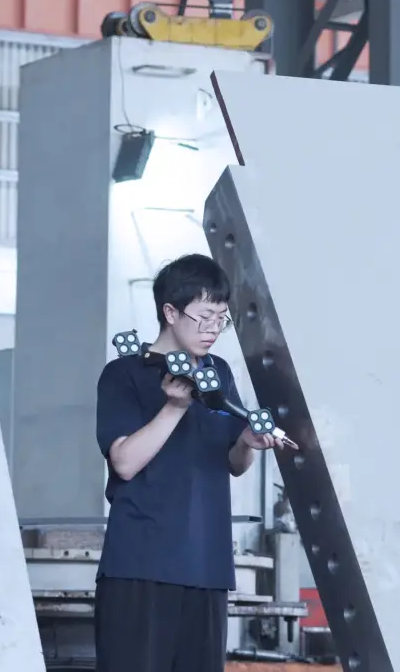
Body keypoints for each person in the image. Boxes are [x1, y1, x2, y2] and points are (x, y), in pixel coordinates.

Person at [93, 253, 286, 672]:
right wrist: (174, 407)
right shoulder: (124, 374)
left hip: (207, 567)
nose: (213, 329)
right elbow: (124, 462)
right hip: (141, 565)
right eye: (204, 317)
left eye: (221, 319)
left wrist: (248, 442)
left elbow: (234, 464)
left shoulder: (218, 373)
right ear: (170, 312)